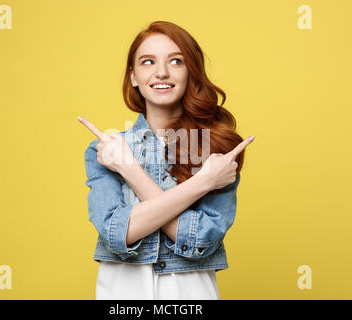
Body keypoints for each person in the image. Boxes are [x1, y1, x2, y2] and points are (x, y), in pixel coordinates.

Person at [78, 20, 255, 300]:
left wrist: (128, 169)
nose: (162, 72)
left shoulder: (217, 149)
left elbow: (201, 240)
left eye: (176, 61)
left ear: (191, 73)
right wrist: (204, 181)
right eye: (148, 62)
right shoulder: (106, 150)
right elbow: (118, 234)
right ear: (133, 76)